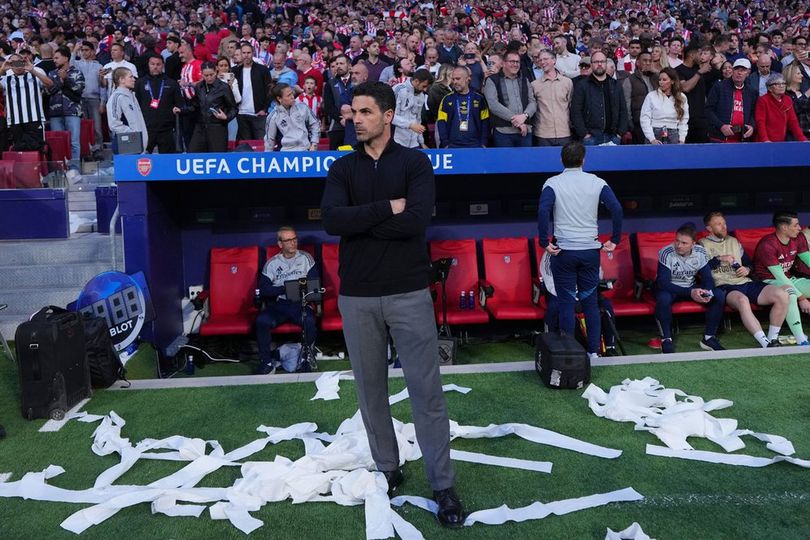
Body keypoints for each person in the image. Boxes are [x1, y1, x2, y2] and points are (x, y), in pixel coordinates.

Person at [320, 80, 464, 528]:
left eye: (364, 112)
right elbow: (331, 221)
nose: (356, 119)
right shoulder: (343, 170)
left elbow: (417, 221)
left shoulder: (416, 163)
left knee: (428, 394)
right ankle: (388, 468)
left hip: (408, 293)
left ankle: (443, 485)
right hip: (357, 297)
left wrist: (361, 223)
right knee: (370, 394)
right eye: (353, 113)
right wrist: (386, 209)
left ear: (387, 115)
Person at [537, 141, 623, 359]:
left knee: (566, 304)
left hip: (564, 252)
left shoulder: (553, 183)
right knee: (590, 303)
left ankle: (570, 353)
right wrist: (614, 239)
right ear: (583, 160)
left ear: (561, 160)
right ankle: (593, 353)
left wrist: (543, 242)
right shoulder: (597, 182)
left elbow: (543, 211)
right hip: (589, 253)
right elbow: (617, 209)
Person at [699, 211, 789, 348]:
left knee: (782, 294)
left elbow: (749, 263)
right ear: (709, 228)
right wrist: (719, 259)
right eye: (718, 224)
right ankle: (765, 343)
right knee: (743, 301)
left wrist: (747, 269)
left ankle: (772, 339)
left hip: (745, 282)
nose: (723, 227)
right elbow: (700, 270)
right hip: (724, 286)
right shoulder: (702, 244)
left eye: (724, 223)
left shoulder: (734, 241)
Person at [255, 226, 318, 374]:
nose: (293, 243)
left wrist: (296, 289)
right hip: (280, 304)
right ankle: (266, 362)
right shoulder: (272, 263)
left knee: (309, 321)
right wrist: (286, 288)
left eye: (294, 239)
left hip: (300, 303)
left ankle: (305, 359)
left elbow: (314, 283)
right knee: (262, 321)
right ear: (280, 244)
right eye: (288, 240)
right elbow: (263, 289)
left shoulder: (306, 258)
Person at [654, 223, 726, 354]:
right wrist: (690, 292)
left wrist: (707, 292)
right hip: (671, 288)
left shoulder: (700, 251)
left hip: (691, 286)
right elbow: (662, 283)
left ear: (693, 244)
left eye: (684, 243)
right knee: (663, 298)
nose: (678, 245)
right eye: (677, 241)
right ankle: (666, 339)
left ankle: (709, 338)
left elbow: (707, 278)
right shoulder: (666, 252)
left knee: (718, 294)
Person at [539, 250, 619, 356]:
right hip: (559, 291)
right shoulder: (551, 252)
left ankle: (609, 346)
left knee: (606, 305)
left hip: (584, 290)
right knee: (554, 308)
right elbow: (548, 279)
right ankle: (552, 345)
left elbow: (597, 273)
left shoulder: (589, 249)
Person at [753, 211, 810, 346]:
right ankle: (801, 338)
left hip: (789, 278)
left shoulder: (799, 237)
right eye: (796, 225)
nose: (800, 228)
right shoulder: (768, 244)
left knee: (790, 288)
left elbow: (808, 259)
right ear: (784, 227)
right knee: (790, 294)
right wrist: (801, 298)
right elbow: (779, 276)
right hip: (768, 282)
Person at [570, 51, 628, 145]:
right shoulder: (582, 85)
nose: (599, 64)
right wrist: (584, 133)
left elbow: (623, 109)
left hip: (613, 136)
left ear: (606, 63)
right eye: (596, 62)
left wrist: (620, 133)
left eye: (602, 61)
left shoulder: (615, 85)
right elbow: (576, 111)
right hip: (590, 138)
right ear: (591, 65)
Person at [0, 54, 54, 151]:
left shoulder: (35, 73)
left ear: (24, 62)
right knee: (19, 150)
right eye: (13, 63)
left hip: (34, 118)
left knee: (38, 148)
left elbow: (50, 84)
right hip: (15, 120)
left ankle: (39, 166)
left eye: (19, 62)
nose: (17, 65)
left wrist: (32, 70)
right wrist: (2, 70)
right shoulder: (6, 78)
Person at [483, 50, 536, 147]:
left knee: (526, 162)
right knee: (505, 162)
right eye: (512, 61)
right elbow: (493, 104)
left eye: (517, 62)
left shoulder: (525, 80)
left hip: (525, 131)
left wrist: (524, 116)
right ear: (503, 63)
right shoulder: (492, 80)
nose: (515, 64)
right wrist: (516, 120)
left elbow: (532, 101)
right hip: (503, 132)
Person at [46, 46, 84, 175]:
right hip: (55, 113)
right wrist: (60, 80)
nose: (54, 60)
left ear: (66, 58)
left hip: (72, 111)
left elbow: (78, 90)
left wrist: (66, 79)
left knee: (74, 142)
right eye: (53, 58)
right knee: (57, 143)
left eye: (57, 57)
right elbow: (47, 91)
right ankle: (59, 169)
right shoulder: (51, 73)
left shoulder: (77, 73)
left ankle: (75, 169)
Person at [134, 55, 183, 153]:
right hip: (146, 128)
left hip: (166, 129)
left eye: (158, 64)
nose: (155, 67)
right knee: (143, 161)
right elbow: (136, 104)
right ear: (148, 65)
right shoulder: (140, 83)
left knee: (167, 161)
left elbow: (179, 104)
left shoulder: (172, 83)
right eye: (152, 64)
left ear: (163, 65)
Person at [675, 43, 720, 143]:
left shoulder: (700, 69)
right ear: (692, 55)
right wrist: (699, 73)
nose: (702, 57)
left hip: (701, 118)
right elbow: (685, 88)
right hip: (684, 119)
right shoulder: (678, 70)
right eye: (700, 54)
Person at [705, 58, 757, 142]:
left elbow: (753, 113)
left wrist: (752, 126)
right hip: (719, 138)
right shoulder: (719, 87)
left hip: (742, 138)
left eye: (743, 70)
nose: (739, 73)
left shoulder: (751, 91)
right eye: (736, 69)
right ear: (732, 70)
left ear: (748, 73)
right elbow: (708, 110)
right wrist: (721, 126)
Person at [188, 62, 236, 153]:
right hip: (201, 127)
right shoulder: (199, 87)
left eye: (211, 74)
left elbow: (234, 108)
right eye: (206, 75)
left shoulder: (224, 87)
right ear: (201, 74)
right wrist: (182, 110)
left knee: (218, 157)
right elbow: (195, 106)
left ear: (216, 72)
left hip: (217, 127)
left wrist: (226, 117)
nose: (209, 78)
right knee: (192, 153)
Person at [435, 66, 489, 148]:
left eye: (458, 79)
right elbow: (441, 123)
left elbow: (485, 122)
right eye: (453, 79)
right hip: (453, 145)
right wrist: (445, 143)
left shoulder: (479, 98)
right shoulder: (447, 99)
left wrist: (483, 143)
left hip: (475, 145)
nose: (455, 82)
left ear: (468, 79)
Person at [530, 49, 573, 146]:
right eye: (540, 60)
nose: (542, 62)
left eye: (545, 59)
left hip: (564, 132)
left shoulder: (567, 82)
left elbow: (570, 105)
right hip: (543, 134)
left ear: (554, 60)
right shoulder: (534, 85)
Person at [232, 43, 272, 141]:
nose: (246, 55)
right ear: (240, 54)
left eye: (249, 52)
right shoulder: (235, 71)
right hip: (241, 114)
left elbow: (270, 90)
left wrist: (265, 109)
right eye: (244, 52)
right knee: (246, 146)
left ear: (253, 53)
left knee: (261, 145)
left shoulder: (262, 70)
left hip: (258, 114)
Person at [639, 67, 689, 144]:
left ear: (672, 81)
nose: (661, 82)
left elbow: (684, 120)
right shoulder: (651, 96)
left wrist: (682, 139)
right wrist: (651, 139)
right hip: (654, 133)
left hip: (673, 134)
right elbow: (644, 118)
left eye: (664, 80)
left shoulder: (681, 97)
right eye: (660, 80)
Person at [264, 83, 319, 151]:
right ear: (279, 99)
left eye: (292, 93)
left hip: (306, 150)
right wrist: (268, 157)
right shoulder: (273, 116)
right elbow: (269, 139)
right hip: (285, 154)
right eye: (288, 95)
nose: (292, 97)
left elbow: (315, 124)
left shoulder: (303, 107)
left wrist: (314, 144)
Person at [754, 73, 807, 142]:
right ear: (770, 88)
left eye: (783, 83)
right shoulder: (763, 100)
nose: (781, 86)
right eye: (777, 84)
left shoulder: (787, 99)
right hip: (765, 141)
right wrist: (765, 140)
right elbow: (760, 122)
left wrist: (802, 139)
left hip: (781, 140)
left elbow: (793, 122)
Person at [71, 41, 103, 153]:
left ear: (93, 51)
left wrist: (102, 102)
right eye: (82, 50)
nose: (84, 52)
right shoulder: (77, 63)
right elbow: (69, 65)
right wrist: (75, 50)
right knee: (83, 127)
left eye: (86, 50)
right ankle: (86, 150)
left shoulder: (99, 65)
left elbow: (102, 85)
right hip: (80, 99)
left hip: (95, 99)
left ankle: (98, 150)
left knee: (97, 127)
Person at [107, 67, 148, 153]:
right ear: (122, 80)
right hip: (125, 145)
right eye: (131, 77)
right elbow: (114, 124)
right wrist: (133, 134)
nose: (134, 79)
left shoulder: (132, 96)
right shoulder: (116, 97)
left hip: (137, 146)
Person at [622, 51, 658, 144]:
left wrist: (657, 73)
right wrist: (631, 125)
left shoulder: (657, 78)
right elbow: (626, 104)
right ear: (637, 63)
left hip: (656, 122)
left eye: (650, 61)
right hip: (639, 123)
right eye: (645, 60)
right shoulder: (629, 80)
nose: (648, 63)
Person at [392, 68, 432, 149]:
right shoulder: (398, 90)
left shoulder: (421, 96)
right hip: (397, 140)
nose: (425, 89)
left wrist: (422, 142)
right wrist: (410, 125)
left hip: (414, 142)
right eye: (424, 86)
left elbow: (418, 119)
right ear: (416, 81)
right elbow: (391, 116)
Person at [322, 54, 351, 149]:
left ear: (349, 65)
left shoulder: (356, 81)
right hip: (336, 127)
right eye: (337, 64)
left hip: (355, 127)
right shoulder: (330, 83)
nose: (338, 66)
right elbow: (328, 106)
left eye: (341, 63)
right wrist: (340, 119)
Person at [784, 62, 810, 139]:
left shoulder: (802, 91)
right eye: (798, 74)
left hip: (807, 131)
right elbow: (795, 107)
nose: (802, 76)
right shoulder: (786, 93)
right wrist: (806, 95)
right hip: (793, 133)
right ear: (790, 76)